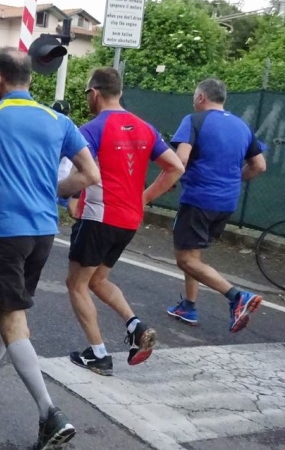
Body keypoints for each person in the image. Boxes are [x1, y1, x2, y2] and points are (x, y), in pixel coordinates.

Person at [0, 47, 100, 450]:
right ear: (31, 79)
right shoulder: (58, 119)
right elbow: (90, 174)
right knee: (12, 306)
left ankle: (49, 413)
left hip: (5, 231)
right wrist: (51, 189)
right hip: (43, 231)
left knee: (12, 316)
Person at [65, 68, 185, 376]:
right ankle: (136, 327)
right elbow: (175, 167)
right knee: (98, 280)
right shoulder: (145, 128)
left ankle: (98, 354)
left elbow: (81, 173)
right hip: (130, 220)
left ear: (94, 93)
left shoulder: (92, 129)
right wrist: (144, 197)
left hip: (100, 217)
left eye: (87, 95)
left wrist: (66, 195)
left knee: (76, 284)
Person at [167, 78, 267, 332]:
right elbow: (259, 166)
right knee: (193, 253)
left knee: (185, 259)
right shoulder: (242, 126)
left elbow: (180, 160)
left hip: (199, 199)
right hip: (226, 203)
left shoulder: (194, 120)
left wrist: (168, 182)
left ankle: (237, 297)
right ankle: (188, 306)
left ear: (201, 97)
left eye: (194, 96)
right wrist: (232, 179)